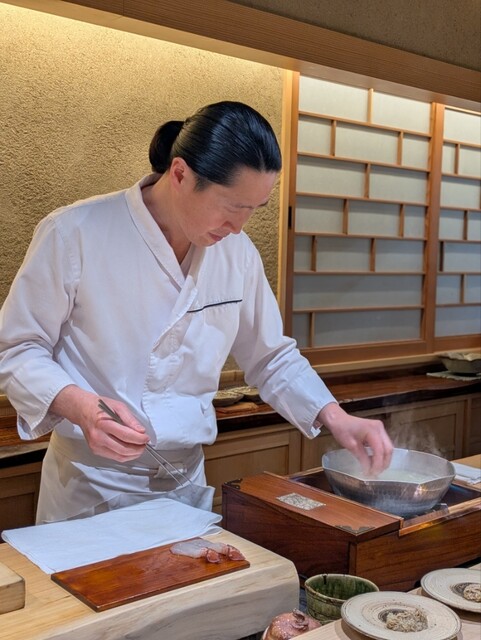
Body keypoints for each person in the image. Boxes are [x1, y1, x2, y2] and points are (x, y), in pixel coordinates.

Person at [0, 101, 392, 524]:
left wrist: (336, 417)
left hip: (183, 483)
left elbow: (270, 356)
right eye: (232, 207)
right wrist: (80, 406)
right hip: (91, 484)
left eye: (254, 210)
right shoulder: (74, 232)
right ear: (180, 174)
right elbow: (16, 349)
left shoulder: (237, 252)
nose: (239, 227)